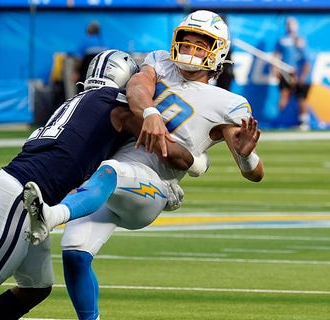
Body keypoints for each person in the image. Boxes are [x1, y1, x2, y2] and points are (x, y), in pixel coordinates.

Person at [0, 50, 178, 320]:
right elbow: (165, 145)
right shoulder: (115, 105)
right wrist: (189, 164)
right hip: (21, 199)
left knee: (35, 288)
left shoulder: (76, 103)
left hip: (21, 193)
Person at [23, 10, 265, 320]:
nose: (190, 50)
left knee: (111, 171)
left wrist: (246, 155)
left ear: (217, 51)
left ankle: (51, 214)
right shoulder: (160, 61)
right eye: (185, 42)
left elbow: (255, 174)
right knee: (75, 254)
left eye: (199, 46)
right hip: (105, 185)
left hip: (151, 186)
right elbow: (137, 88)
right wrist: (150, 113)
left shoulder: (228, 103)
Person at [272, 16, 312, 131]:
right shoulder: (282, 40)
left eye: (292, 24)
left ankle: (304, 121)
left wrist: (302, 76)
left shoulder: (300, 40)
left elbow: (306, 61)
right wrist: (275, 69)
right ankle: (280, 119)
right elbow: (276, 55)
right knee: (284, 93)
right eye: (288, 24)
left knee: (301, 97)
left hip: (298, 73)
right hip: (286, 72)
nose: (290, 26)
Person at [74, 21, 107, 88]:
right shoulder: (105, 42)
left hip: (85, 77)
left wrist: (76, 72)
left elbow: (78, 60)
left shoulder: (84, 42)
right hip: (103, 77)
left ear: (88, 31)